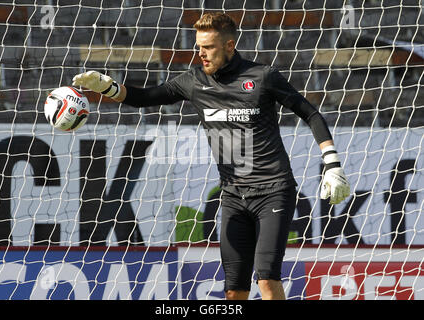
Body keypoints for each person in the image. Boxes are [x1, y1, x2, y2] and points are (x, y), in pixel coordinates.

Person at [72, 12, 350, 300]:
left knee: (266, 279)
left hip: (274, 192)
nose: (201, 54)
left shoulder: (263, 76)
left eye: (209, 47)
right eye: (198, 47)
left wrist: (331, 162)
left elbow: (311, 113)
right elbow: (145, 97)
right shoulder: (193, 81)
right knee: (234, 291)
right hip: (232, 196)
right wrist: (108, 87)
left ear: (230, 46)